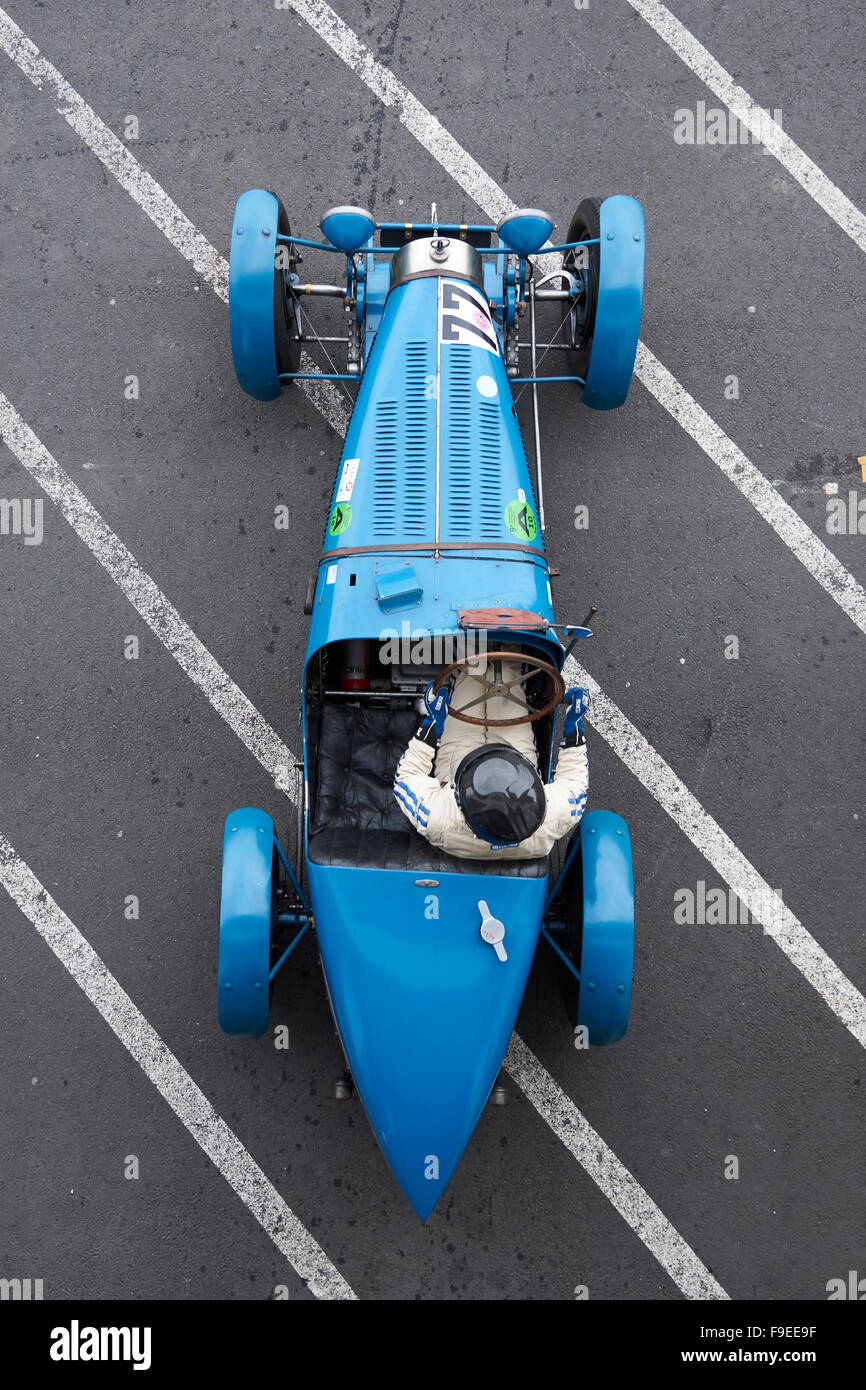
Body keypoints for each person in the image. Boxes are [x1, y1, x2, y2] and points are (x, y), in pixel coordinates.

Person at [393, 656, 590, 860]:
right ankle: (509, 654)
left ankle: (472, 653)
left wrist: (433, 724)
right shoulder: (554, 816)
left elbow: (405, 777)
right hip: (516, 759)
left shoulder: (438, 818)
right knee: (507, 672)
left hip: (460, 763)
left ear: (461, 802)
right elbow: (575, 781)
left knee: (469, 670)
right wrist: (574, 726)